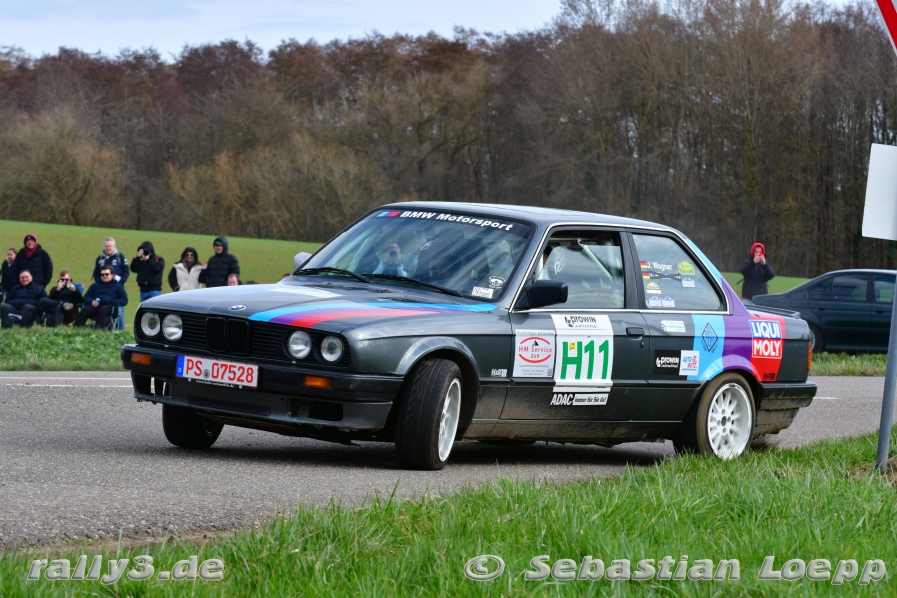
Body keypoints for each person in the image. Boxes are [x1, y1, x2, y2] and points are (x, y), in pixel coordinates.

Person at [92, 237, 130, 329]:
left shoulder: (120, 257)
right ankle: (106, 329)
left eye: (110, 246)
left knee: (119, 310)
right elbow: (95, 273)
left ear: (114, 246)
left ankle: (121, 331)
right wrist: (99, 283)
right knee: (104, 309)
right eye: (106, 246)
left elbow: (126, 271)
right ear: (103, 247)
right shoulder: (100, 259)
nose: (108, 248)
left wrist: (120, 283)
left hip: (117, 289)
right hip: (103, 290)